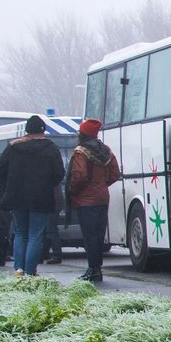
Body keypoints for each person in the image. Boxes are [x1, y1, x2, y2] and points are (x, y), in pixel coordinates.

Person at [0, 115, 65, 277]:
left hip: (16, 196)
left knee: (20, 233)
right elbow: (59, 173)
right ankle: (30, 270)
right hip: (41, 197)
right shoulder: (50, 148)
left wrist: (11, 184)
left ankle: (18, 269)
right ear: (43, 130)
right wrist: (47, 184)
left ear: (27, 130)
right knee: (36, 234)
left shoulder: (12, 147)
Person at [66, 118, 120, 283]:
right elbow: (115, 174)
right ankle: (97, 269)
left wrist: (72, 191)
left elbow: (79, 176)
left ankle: (92, 269)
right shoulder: (107, 151)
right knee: (98, 234)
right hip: (102, 198)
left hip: (85, 200)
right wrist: (102, 185)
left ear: (83, 134)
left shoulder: (81, 152)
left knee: (89, 236)